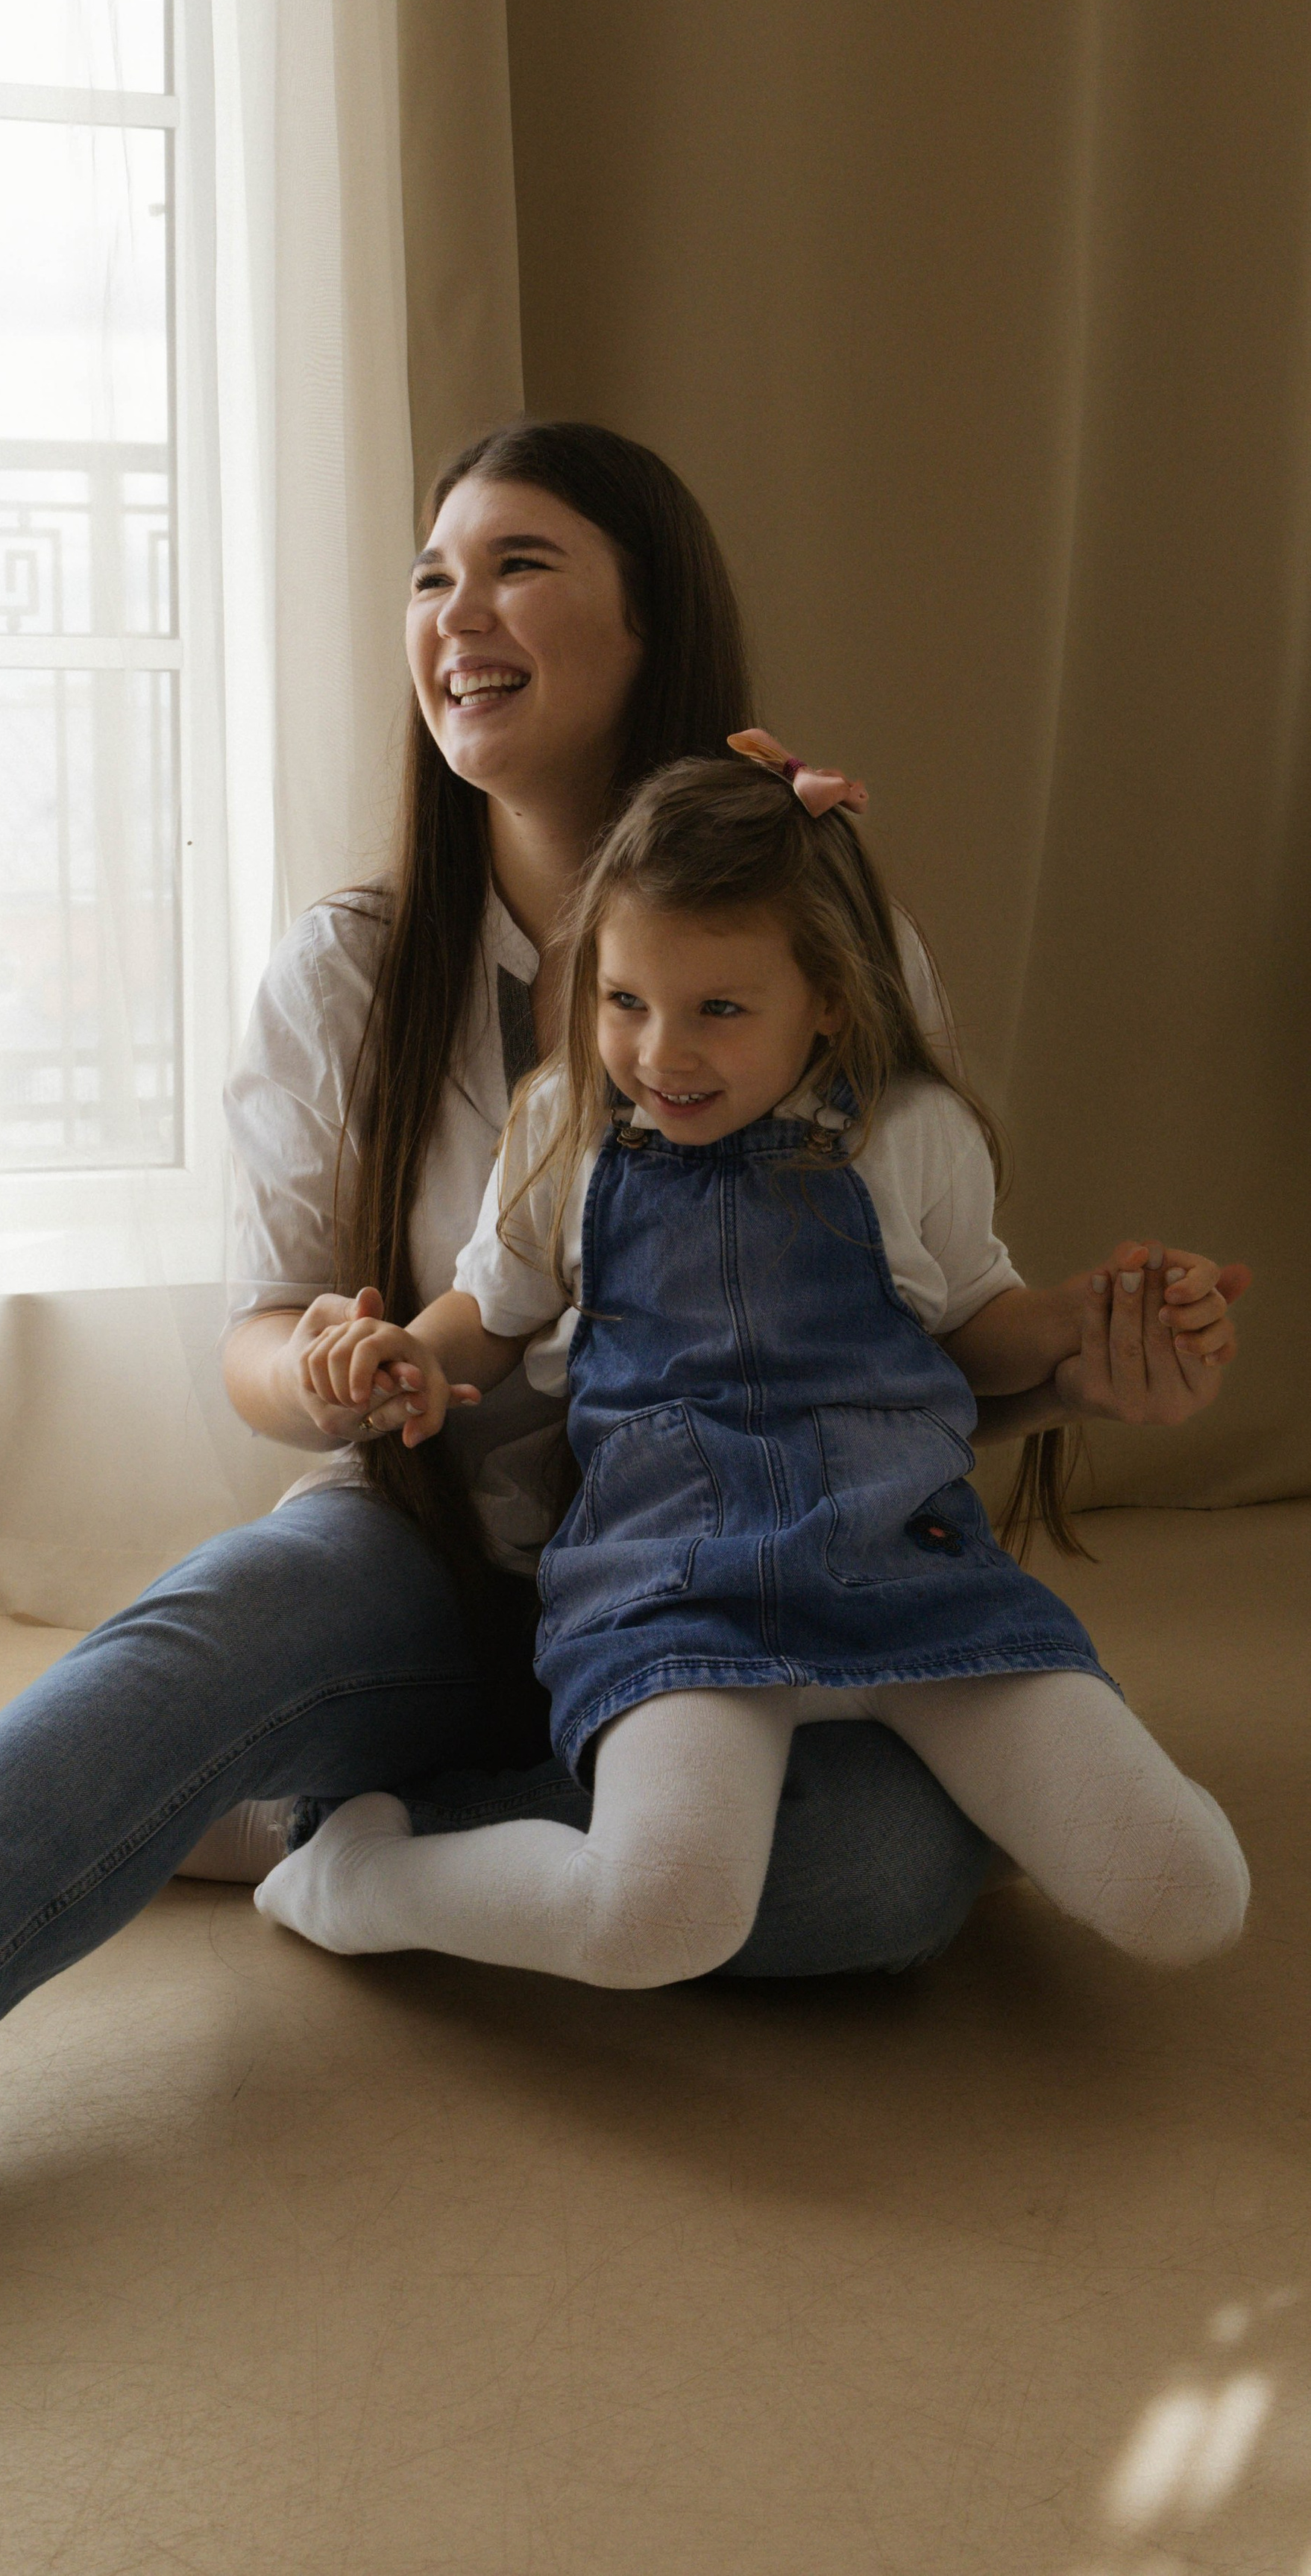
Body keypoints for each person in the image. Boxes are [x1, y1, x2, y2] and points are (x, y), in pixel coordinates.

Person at [0, 424, 1246, 2390]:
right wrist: (343, 1365)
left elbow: (918, 1333)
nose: (455, 617)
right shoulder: (349, 972)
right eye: (429, 578)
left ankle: (326, 1835)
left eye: (517, 564)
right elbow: (259, 1343)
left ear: (645, 618)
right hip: (448, 1545)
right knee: (211, 1639)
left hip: (776, 1598)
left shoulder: (820, 948)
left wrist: (1088, 1357)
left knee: (885, 1880)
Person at [256, 744, 1249, 1983]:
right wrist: (405, 1349)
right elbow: (489, 1313)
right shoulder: (566, 1129)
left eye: (719, 1009)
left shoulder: (912, 1130)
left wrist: (1097, 1317)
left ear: (828, 997)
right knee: (663, 1918)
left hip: (908, 1566)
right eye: (626, 1002)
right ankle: (356, 1875)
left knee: (1189, 1895)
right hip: (677, 1579)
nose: (662, 1054)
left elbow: (978, 1325)